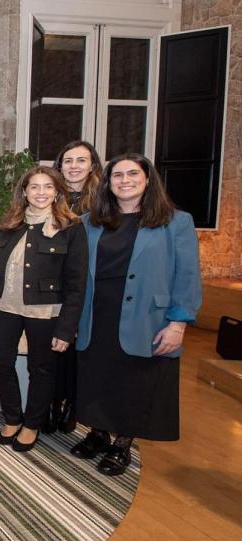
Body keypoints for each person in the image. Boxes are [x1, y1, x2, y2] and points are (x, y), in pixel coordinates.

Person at [71, 153, 201, 476]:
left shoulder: (176, 222)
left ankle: (122, 443)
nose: (125, 181)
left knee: (134, 380)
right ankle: (98, 433)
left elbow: (187, 276)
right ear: (108, 182)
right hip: (96, 313)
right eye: (117, 175)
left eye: (132, 174)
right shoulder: (89, 222)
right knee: (97, 376)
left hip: (147, 316)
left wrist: (178, 323)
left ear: (147, 179)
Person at [0, 166, 87, 453]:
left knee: (41, 369)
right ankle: (12, 418)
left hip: (46, 312)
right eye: (34, 187)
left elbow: (77, 283)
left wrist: (66, 329)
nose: (41, 193)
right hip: (5, 306)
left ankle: (32, 424)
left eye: (47, 187)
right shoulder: (10, 223)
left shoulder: (70, 227)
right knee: (0, 362)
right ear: (24, 192)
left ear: (57, 192)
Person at [48, 140, 103, 433]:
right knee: (57, 347)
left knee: (83, 349)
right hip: (53, 285)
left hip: (90, 285)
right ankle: (55, 401)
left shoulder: (103, 202)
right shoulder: (49, 197)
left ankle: (74, 403)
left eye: (81, 160)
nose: (74, 166)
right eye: (68, 161)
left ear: (92, 165)